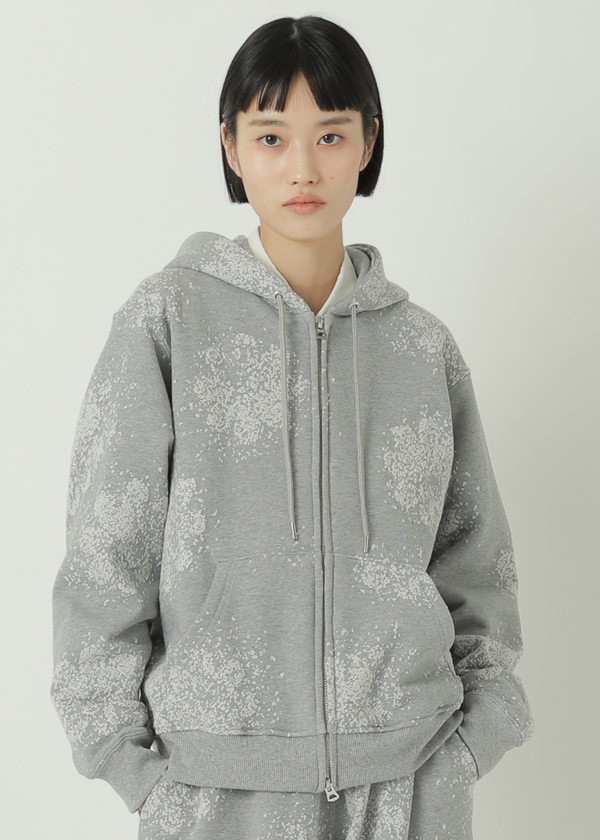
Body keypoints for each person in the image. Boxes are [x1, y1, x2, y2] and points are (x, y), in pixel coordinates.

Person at [50, 14, 534, 840]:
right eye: (271, 137)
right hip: (214, 793)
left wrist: (471, 743)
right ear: (232, 147)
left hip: (411, 787)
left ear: (368, 142)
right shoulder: (167, 323)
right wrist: (137, 773)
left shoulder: (422, 349)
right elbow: (105, 560)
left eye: (330, 135)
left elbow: (476, 561)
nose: (303, 168)